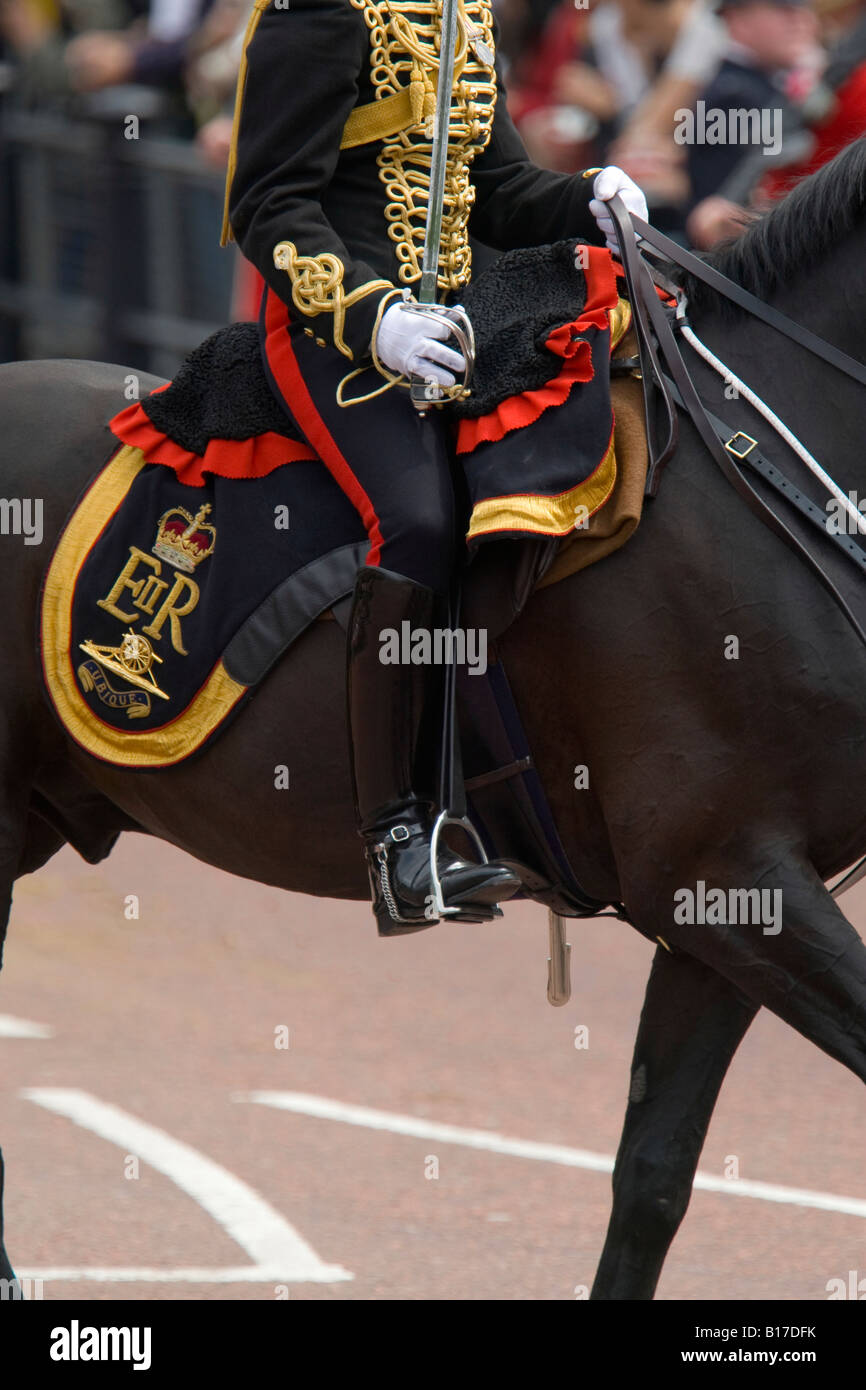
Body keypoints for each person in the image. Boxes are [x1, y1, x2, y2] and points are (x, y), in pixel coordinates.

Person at [221, 0, 647, 936]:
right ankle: (395, 844)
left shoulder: (465, 13)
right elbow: (267, 201)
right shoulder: (321, 10)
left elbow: (496, 192)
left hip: (459, 316)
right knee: (418, 521)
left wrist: (588, 198)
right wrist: (373, 321)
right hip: (342, 327)